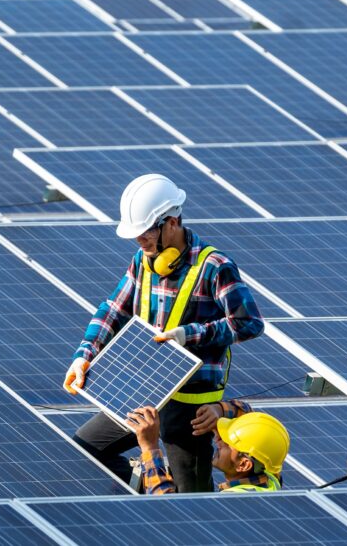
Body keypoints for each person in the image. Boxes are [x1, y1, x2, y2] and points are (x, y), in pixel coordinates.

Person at [64, 174, 265, 492]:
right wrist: (83, 355)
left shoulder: (214, 266)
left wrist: (189, 335)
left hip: (190, 408)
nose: (139, 241)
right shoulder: (142, 262)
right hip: (144, 390)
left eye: (145, 232)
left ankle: (164, 497)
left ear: (171, 222)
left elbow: (249, 323)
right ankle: (147, 486)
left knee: (189, 502)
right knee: (85, 448)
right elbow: (113, 310)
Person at [126, 403, 289, 493]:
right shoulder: (270, 476)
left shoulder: (233, 502)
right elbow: (252, 419)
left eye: (227, 443)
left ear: (244, 464)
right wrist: (219, 409)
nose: (217, 441)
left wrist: (150, 447)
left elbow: (165, 508)